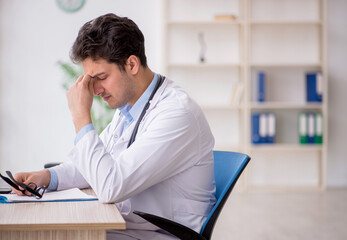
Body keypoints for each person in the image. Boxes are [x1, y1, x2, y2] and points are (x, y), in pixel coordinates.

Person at [12, 13, 216, 240]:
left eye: (101, 77)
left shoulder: (177, 114)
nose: (96, 90)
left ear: (131, 64)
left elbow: (110, 186)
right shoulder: (130, 108)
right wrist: (47, 177)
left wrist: (81, 116)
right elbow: (96, 166)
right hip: (131, 226)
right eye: (90, 80)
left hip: (159, 234)